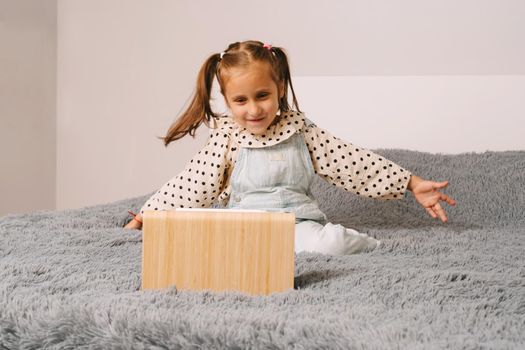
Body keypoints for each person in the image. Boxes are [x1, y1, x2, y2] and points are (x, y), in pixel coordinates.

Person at [124, 40, 456, 255]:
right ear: (226, 101)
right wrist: (147, 216)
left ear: (279, 89)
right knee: (192, 246)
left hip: (295, 227)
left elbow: (352, 162)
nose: (253, 110)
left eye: (262, 96)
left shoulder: (301, 131)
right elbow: (193, 182)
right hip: (241, 229)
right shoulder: (227, 137)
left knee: (330, 245)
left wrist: (411, 183)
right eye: (241, 101)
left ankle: (370, 245)